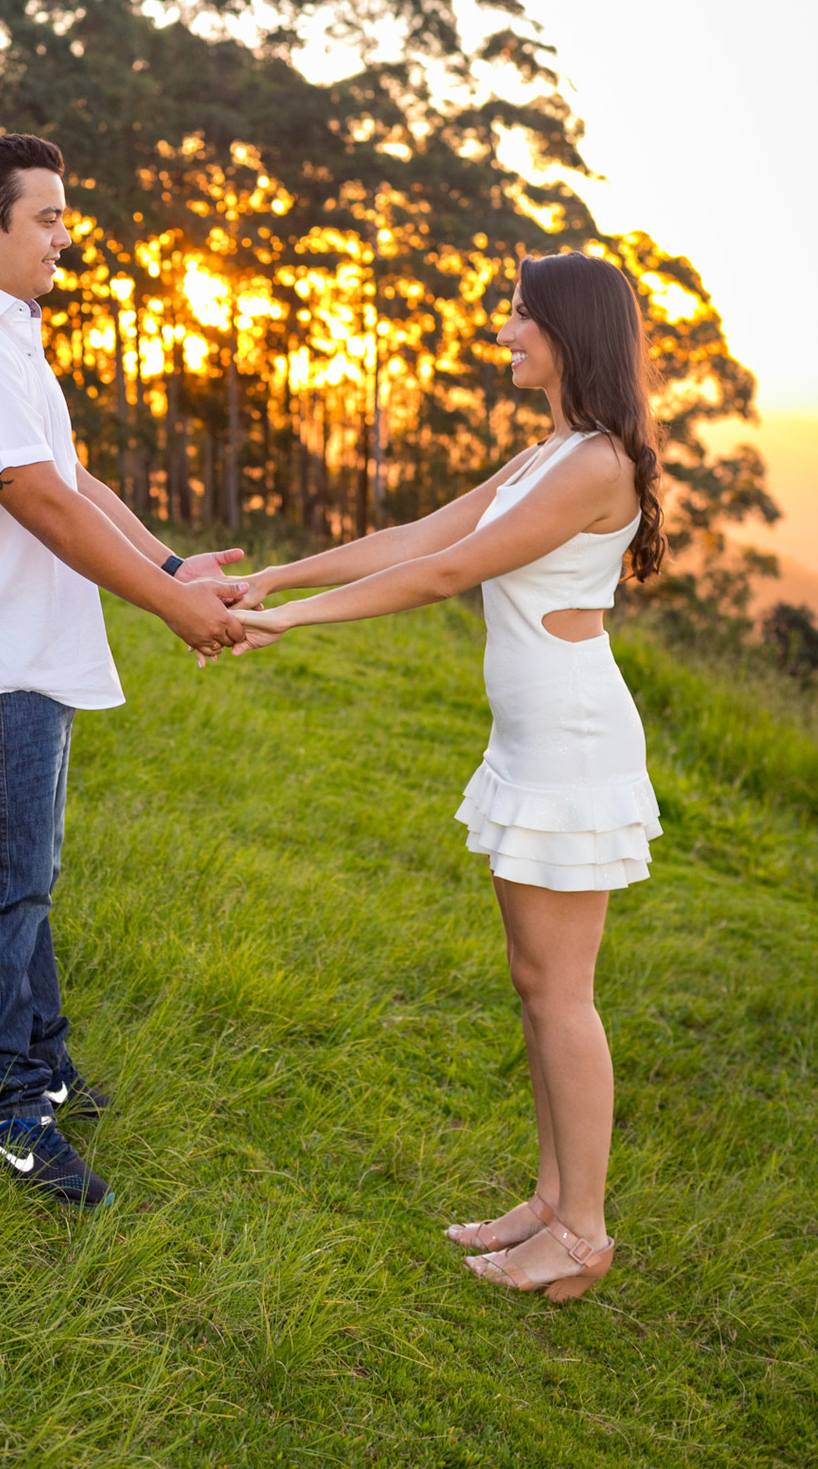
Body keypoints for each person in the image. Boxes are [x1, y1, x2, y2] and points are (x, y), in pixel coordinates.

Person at [232, 252, 664, 1302]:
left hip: (570, 737)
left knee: (563, 991)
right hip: (535, 734)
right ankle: (554, 1201)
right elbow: (420, 534)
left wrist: (287, 624)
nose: (503, 333)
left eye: (519, 317)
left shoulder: (598, 462)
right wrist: (271, 576)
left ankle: (586, 1235)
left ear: (570, 329)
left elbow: (445, 573)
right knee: (535, 983)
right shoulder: (549, 450)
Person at [0, 133, 247, 1209]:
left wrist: (175, 563)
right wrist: (170, 605)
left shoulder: (5, 334)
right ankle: (2, 1112)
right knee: (3, 883)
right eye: (45, 217)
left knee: (26, 873)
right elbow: (35, 502)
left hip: (28, 650)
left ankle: (41, 1064)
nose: (64, 236)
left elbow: (71, 481)